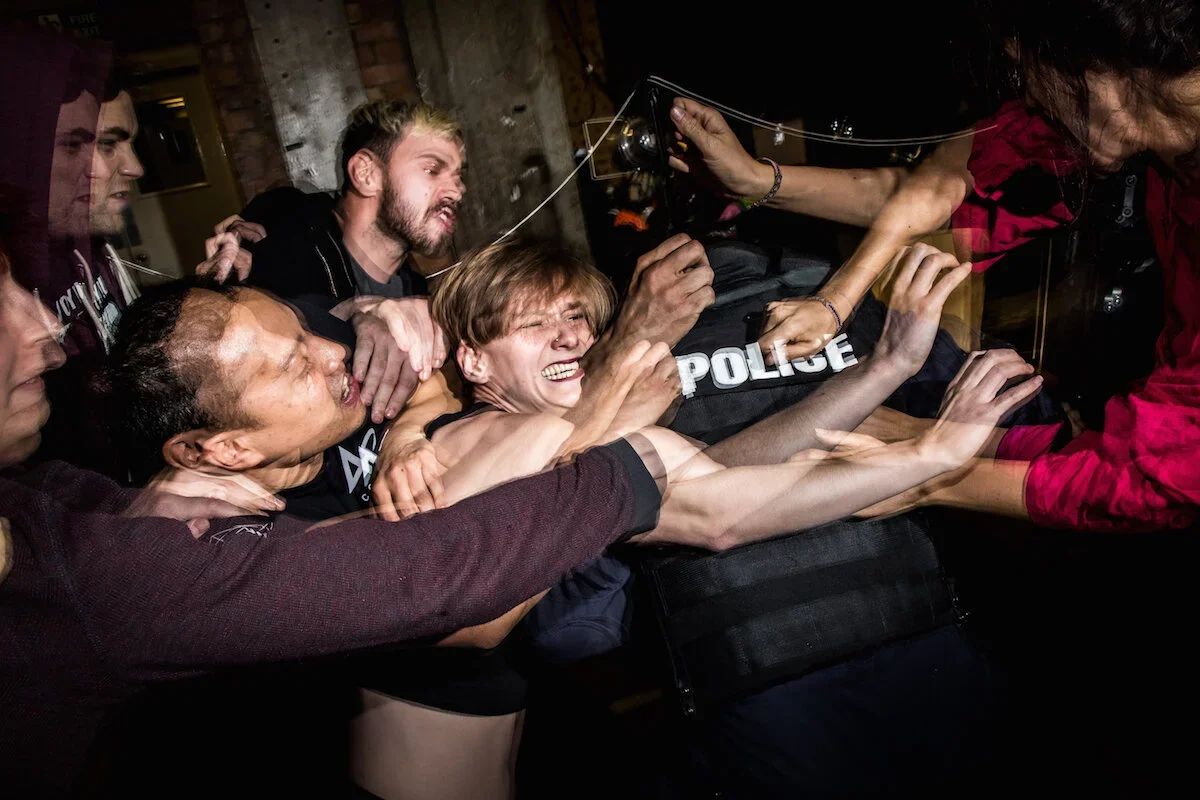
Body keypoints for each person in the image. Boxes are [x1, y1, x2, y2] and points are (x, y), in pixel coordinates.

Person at [0, 198, 683, 797]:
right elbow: (458, 597)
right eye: (298, 360)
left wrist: (403, 406)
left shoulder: (57, 495)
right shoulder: (192, 549)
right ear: (224, 450)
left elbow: (426, 363)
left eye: (307, 334)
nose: (332, 354)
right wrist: (609, 424)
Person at [668, 0, 1200, 533]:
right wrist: (763, 192)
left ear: (1092, 55)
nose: (1030, 95)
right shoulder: (1129, 111)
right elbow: (946, 183)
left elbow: (1152, 476)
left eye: (1026, 69)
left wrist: (927, 475)